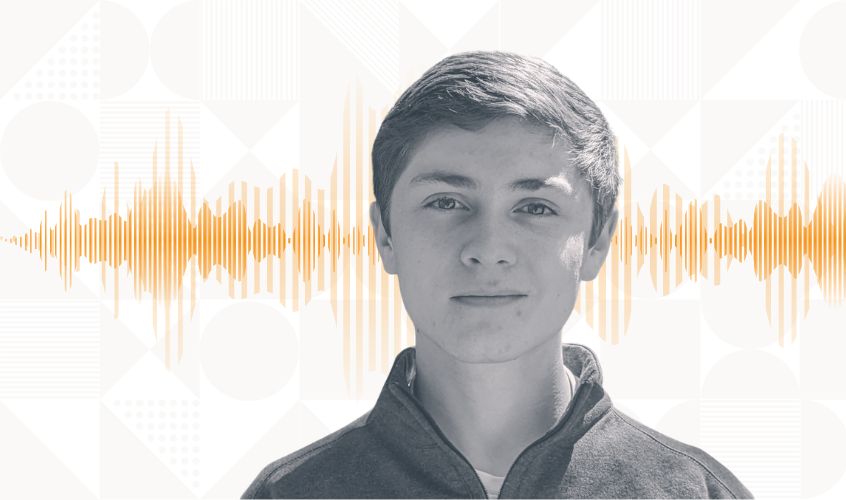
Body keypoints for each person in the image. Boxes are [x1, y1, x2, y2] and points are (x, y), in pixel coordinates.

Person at [243, 50, 753, 499]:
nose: (488, 250)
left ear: (598, 242)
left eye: (535, 207)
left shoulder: (696, 493)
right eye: (446, 202)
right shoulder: (288, 494)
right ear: (385, 236)